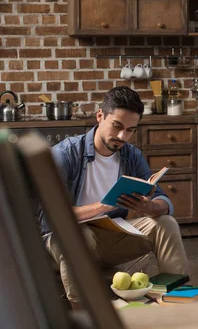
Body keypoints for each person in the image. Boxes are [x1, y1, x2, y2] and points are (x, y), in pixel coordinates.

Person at [43, 86, 189, 304]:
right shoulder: (65, 155)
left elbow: (164, 201)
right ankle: (85, 315)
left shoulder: (131, 156)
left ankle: (178, 302)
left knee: (166, 224)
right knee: (78, 235)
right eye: (117, 126)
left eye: (130, 130)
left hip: (110, 235)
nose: (123, 136)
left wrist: (150, 207)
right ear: (100, 116)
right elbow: (52, 216)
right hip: (64, 239)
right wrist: (103, 206)